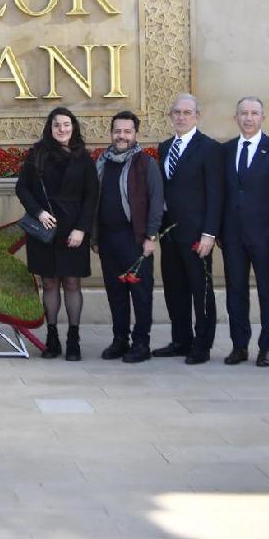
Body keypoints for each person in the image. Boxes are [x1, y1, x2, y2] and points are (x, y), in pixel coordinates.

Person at [16, 106, 100, 361]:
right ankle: (51, 336)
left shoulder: (83, 157)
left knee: (72, 282)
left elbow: (91, 196)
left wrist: (82, 229)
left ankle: (73, 338)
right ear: (50, 128)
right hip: (45, 229)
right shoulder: (37, 154)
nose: (62, 129)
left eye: (66, 124)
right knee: (49, 282)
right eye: (57, 125)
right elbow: (22, 188)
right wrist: (38, 212)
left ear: (73, 127)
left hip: (74, 229)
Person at [218, 97, 269, 367]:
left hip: (266, 236)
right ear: (235, 118)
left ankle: (267, 347)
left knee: (268, 293)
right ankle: (239, 346)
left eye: (254, 113)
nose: (248, 118)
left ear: (263, 117)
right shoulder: (225, 151)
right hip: (232, 237)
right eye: (243, 113)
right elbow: (220, 194)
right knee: (235, 292)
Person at [155, 93, 224, 364]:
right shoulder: (164, 147)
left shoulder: (210, 148)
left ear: (197, 116)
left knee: (200, 289)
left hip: (197, 235)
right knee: (174, 288)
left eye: (187, 112)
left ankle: (202, 344)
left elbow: (216, 194)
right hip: (169, 233)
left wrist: (209, 233)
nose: (181, 117)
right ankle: (181, 340)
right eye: (177, 112)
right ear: (170, 116)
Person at [93, 111, 164, 363]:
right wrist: (95, 237)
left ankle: (141, 343)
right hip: (108, 239)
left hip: (135, 239)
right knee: (116, 293)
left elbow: (156, 201)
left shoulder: (146, 163)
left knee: (141, 294)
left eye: (127, 131)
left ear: (135, 134)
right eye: (117, 131)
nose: (121, 136)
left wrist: (151, 237)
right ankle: (120, 340)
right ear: (111, 132)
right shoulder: (102, 162)